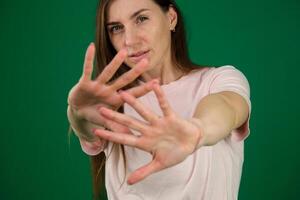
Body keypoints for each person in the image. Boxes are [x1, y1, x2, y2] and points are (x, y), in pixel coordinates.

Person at [67, 0, 251, 199]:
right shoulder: (112, 102)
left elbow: (227, 106)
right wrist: (78, 115)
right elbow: (88, 129)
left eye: (141, 19)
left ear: (171, 18)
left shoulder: (217, 80)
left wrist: (198, 131)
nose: (129, 40)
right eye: (117, 28)